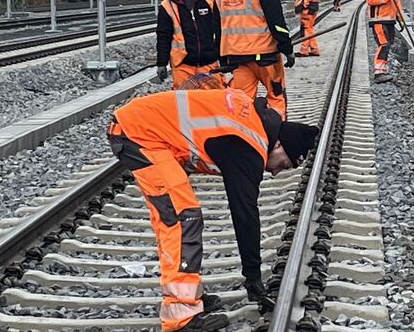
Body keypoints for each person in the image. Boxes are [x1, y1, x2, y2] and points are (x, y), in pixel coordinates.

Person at [108, 87, 319, 332]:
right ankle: (181, 316)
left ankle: (188, 295)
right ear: (279, 144)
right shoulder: (249, 145)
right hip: (141, 135)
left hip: (142, 127)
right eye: (282, 164)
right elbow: (245, 214)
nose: (274, 172)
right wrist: (253, 278)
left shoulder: (251, 119)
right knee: (182, 217)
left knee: (174, 217)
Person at [211, 0, 294, 119]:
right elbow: (277, 23)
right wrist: (287, 49)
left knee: (242, 103)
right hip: (265, 56)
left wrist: (222, 58)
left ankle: (245, 140)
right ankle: (278, 138)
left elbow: (217, 28)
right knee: (275, 97)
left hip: (237, 58)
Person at [157, 0, 220, 89]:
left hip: (209, 63)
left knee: (212, 103)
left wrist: (223, 56)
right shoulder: (167, 6)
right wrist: (161, 63)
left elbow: (221, 28)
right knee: (183, 104)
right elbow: (163, 36)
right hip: (183, 65)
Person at [364, 0, 400, 83]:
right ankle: (378, 72)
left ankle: (383, 70)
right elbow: (370, 0)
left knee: (388, 45)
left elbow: (396, 1)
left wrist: (400, 17)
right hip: (378, 19)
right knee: (383, 44)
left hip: (390, 20)